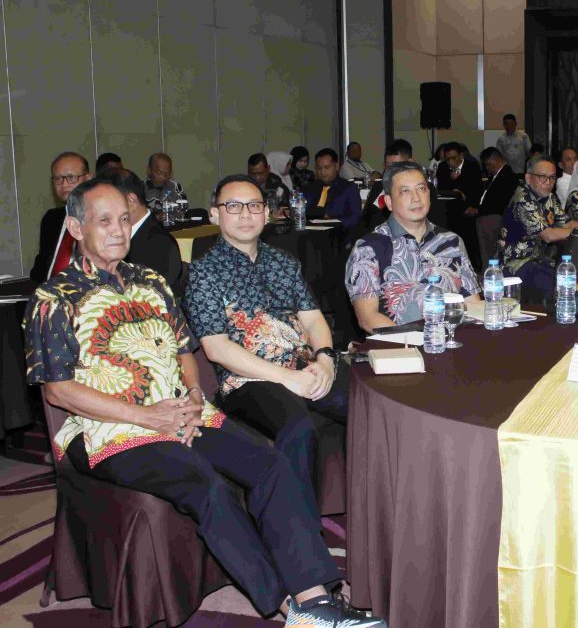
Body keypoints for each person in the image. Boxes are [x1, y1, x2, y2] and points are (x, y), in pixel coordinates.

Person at [24, 178, 382, 627]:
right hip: (112, 430)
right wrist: (147, 416)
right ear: (77, 228)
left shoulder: (151, 282)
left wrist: (193, 395)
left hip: (184, 414)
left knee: (271, 464)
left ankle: (315, 595)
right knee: (205, 483)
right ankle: (289, 608)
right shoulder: (54, 298)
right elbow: (57, 390)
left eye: (124, 219)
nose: (118, 230)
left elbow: (185, 352)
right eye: (104, 221)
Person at [186, 174, 349, 528]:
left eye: (254, 206)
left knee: (369, 406)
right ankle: (301, 538)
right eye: (233, 206)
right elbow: (216, 348)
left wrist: (325, 359)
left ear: (267, 213)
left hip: (306, 366)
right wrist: (287, 378)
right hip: (248, 380)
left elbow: (314, 320)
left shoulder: (283, 262)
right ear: (215, 214)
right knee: (298, 428)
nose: (246, 214)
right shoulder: (203, 272)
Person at [346, 161, 481, 331]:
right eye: (405, 191)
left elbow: (472, 304)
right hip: (398, 344)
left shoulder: (451, 242)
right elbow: (368, 318)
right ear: (389, 201)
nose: (416, 198)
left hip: (452, 339)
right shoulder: (368, 248)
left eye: (421, 189)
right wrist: (417, 341)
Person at [499, 156, 578, 295]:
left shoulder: (549, 196)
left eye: (552, 177)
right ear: (528, 178)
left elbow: (566, 223)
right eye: (542, 177)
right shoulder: (522, 199)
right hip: (517, 264)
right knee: (562, 284)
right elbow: (548, 235)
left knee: (573, 272)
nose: (548, 182)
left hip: (540, 259)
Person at [99, 169, 185, 296]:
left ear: (131, 201)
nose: (102, 211)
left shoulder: (160, 244)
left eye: (107, 203)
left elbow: (152, 298)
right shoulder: (116, 236)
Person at [30, 152, 94, 284]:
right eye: (58, 178)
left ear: (88, 178)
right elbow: (40, 269)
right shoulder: (51, 219)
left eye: (71, 177)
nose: (64, 184)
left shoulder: (101, 218)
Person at [300, 148, 361, 227]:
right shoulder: (308, 188)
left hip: (337, 231)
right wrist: (321, 213)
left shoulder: (349, 188)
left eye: (327, 167)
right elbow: (300, 211)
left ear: (336, 166)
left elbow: (355, 218)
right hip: (309, 230)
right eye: (319, 168)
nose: (322, 172)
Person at [478, 147, 521, 217]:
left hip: (495, 217)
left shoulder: (508, 178)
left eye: (488, 164)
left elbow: (499, 204)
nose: (486, 167)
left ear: (497, 160)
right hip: (487, 214)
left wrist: (478, 210)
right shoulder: (494, 176)